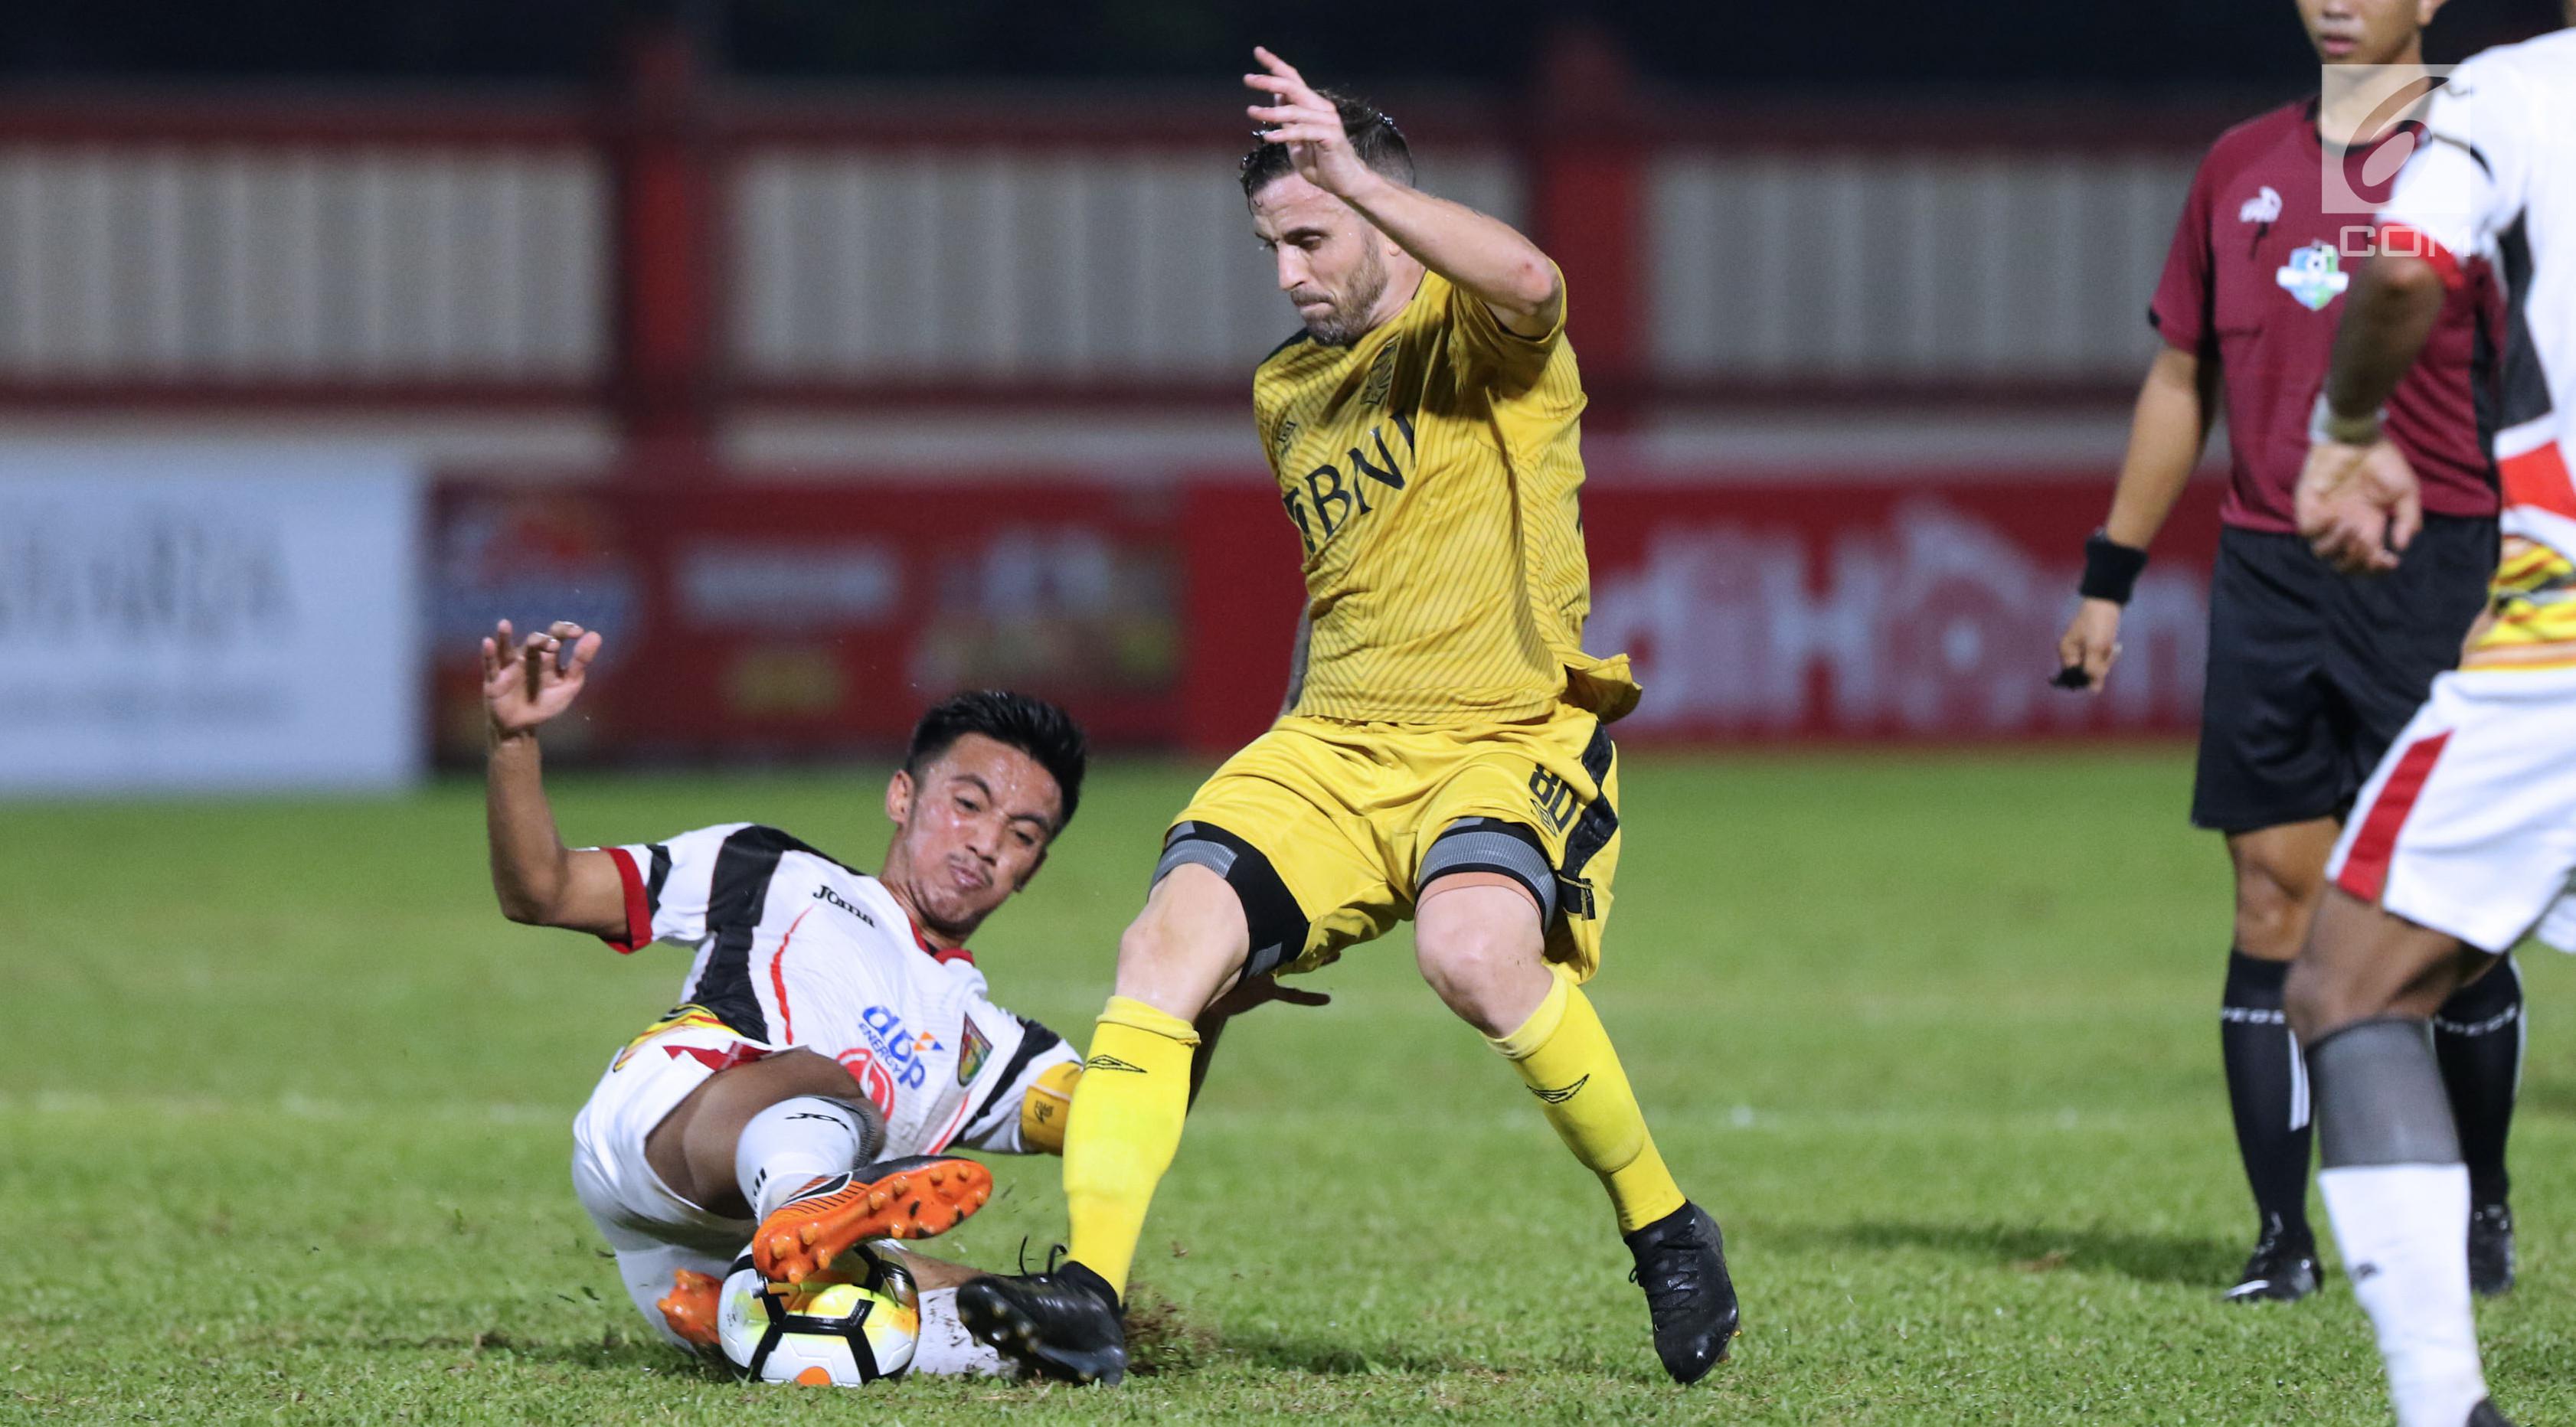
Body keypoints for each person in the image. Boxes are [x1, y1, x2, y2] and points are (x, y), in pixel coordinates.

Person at [955, 47, 1736, 1388]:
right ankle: (1086, 1289)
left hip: (1497, 733)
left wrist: (1355, 177)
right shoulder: (1284, 391)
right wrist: (1268, 849)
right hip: (1326, 744)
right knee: (1166, 943)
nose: (1286, 271)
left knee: (1475, 952)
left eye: (1309, 234)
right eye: (1269, 241)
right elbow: (1337, 589)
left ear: (1378, 215)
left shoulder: (1480, 336)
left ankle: (1664, 1225)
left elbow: (1537, 280)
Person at [2053, 0, 2523, 1303]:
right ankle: (2279, 1236)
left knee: (2450, 920)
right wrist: (2109, 576)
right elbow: (2177, 379)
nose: (2334, 0)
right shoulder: (2236, 166)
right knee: (2267, 893)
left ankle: (2479, 1197)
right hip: (2268, 570)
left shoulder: (2483, 156)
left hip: (2439, 567)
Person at [480, 618, 1087, 1376]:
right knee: (834, 1090)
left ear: (1032, 866)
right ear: (902, 795)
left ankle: (747, 1309)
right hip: (667, 1128)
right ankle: (808, 1206)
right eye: (968, 803)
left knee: (1022, 1328)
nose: (986, 842)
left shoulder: (993, 1048)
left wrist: (1210, 991)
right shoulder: (771, 870)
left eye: (1022, 833)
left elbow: (1120, 1119)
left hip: (680, 1268)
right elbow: (545, 890)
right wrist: (513, 742)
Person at [2287, 12, 2576, 1424]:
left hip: (2563, 646)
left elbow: (2401, 266)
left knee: (2347, 987)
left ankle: (2440, 1404)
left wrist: (2342, 431)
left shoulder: (2510, 94)